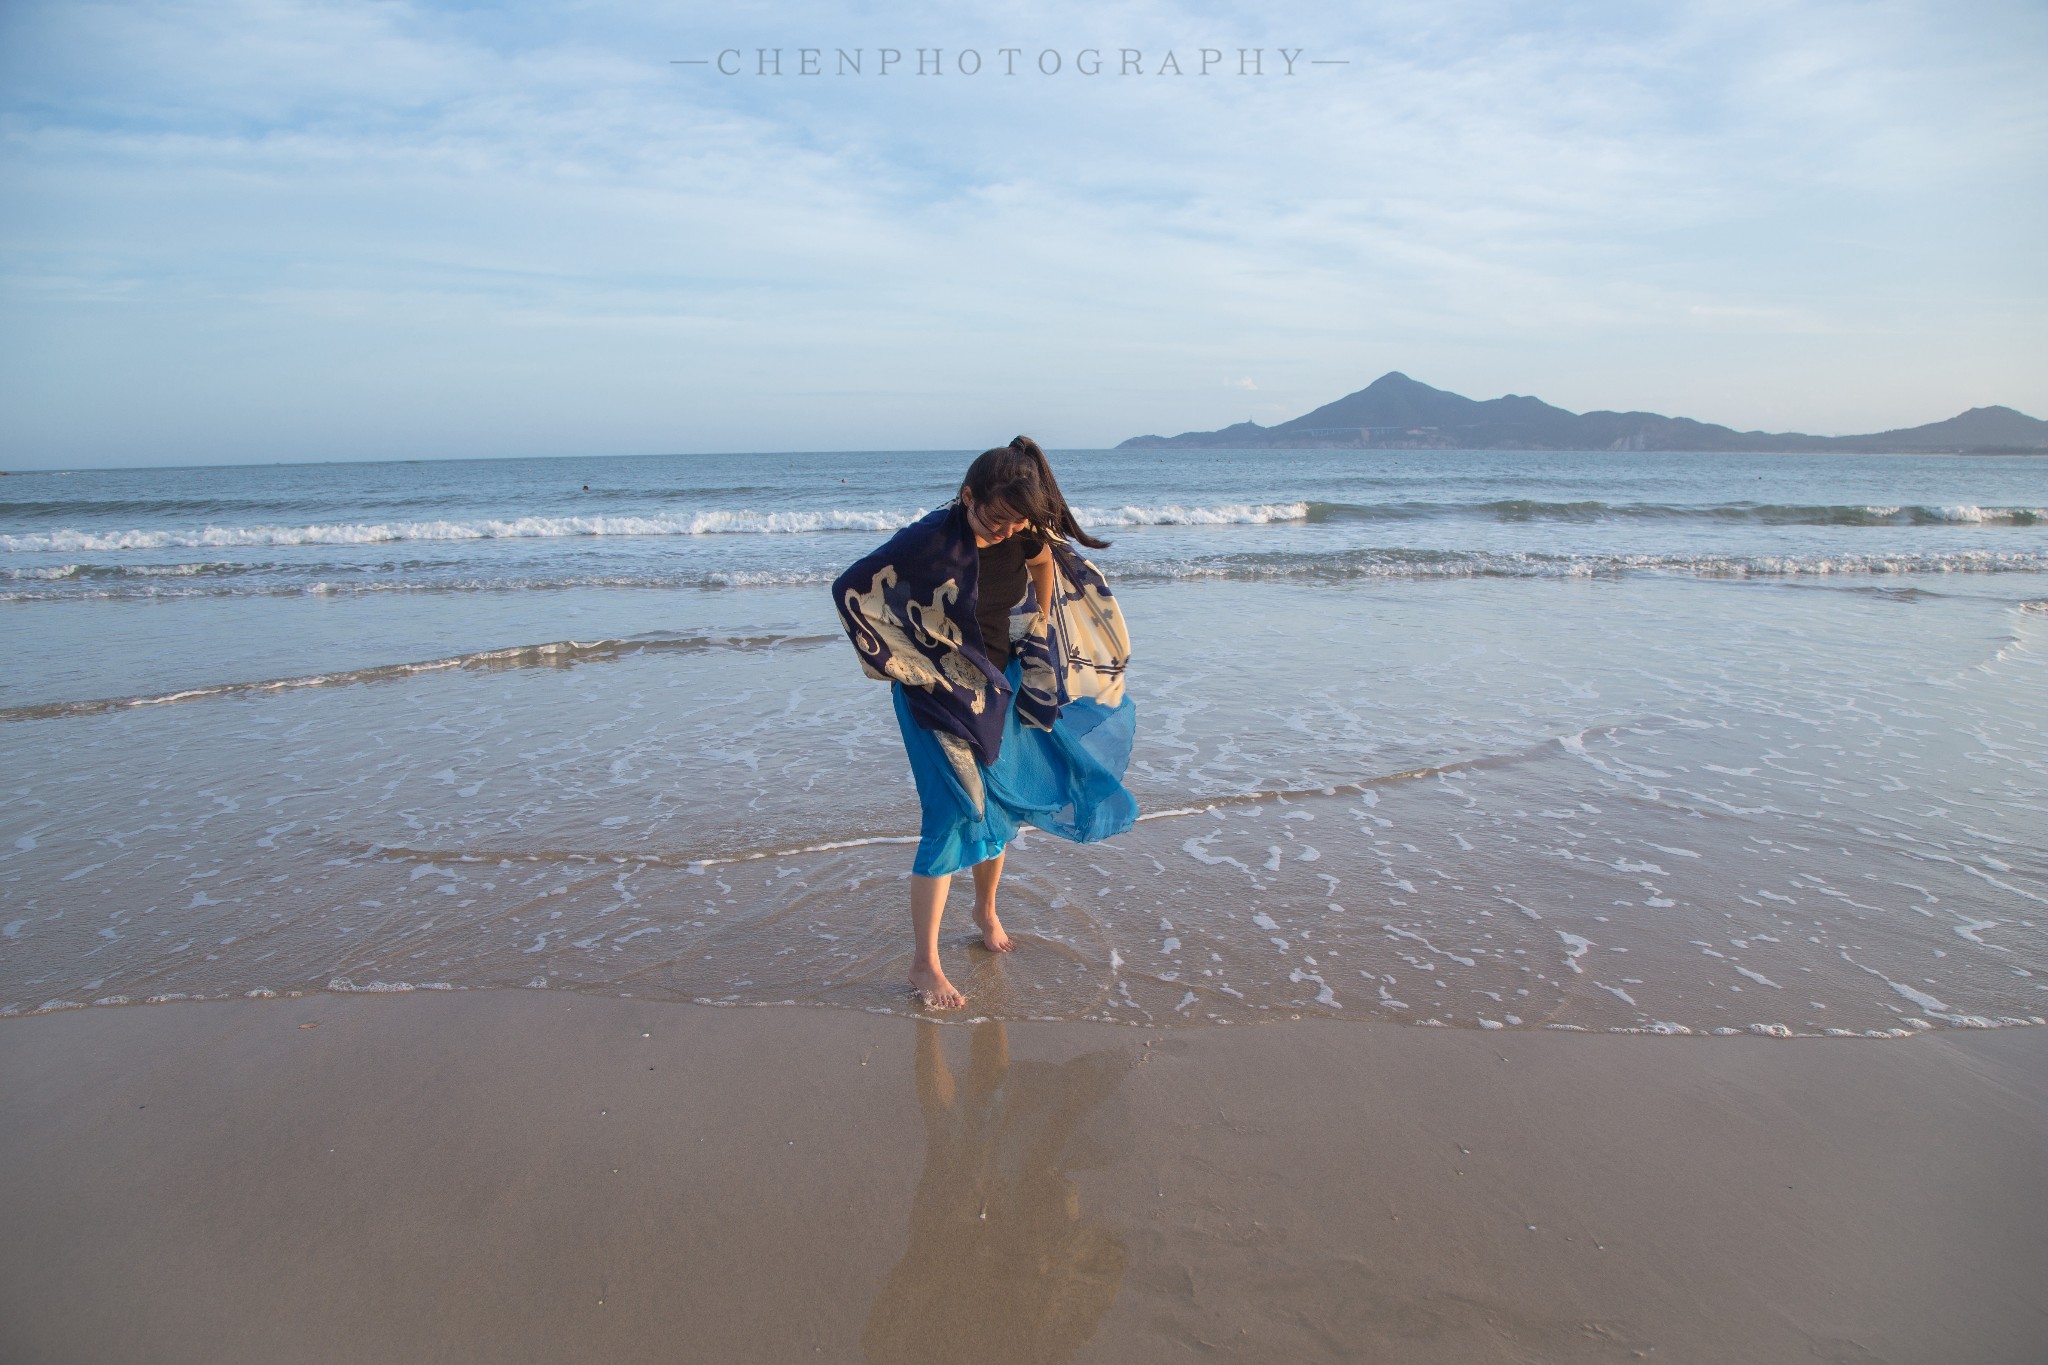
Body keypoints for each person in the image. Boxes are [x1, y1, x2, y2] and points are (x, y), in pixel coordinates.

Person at [831, 436, 1138, 1010]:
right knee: (952, 816)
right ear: (967, 496)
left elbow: (1045, 561)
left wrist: (1041, 624)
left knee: (999, 805)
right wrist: (911, 663)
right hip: (937, 698)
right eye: (993, 520)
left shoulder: (1022, 531)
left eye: (1013, 524)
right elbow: (851, 589)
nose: (1002, 533)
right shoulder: (928, 540)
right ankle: (924, 964)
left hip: (1002, 685)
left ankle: (985, 909)